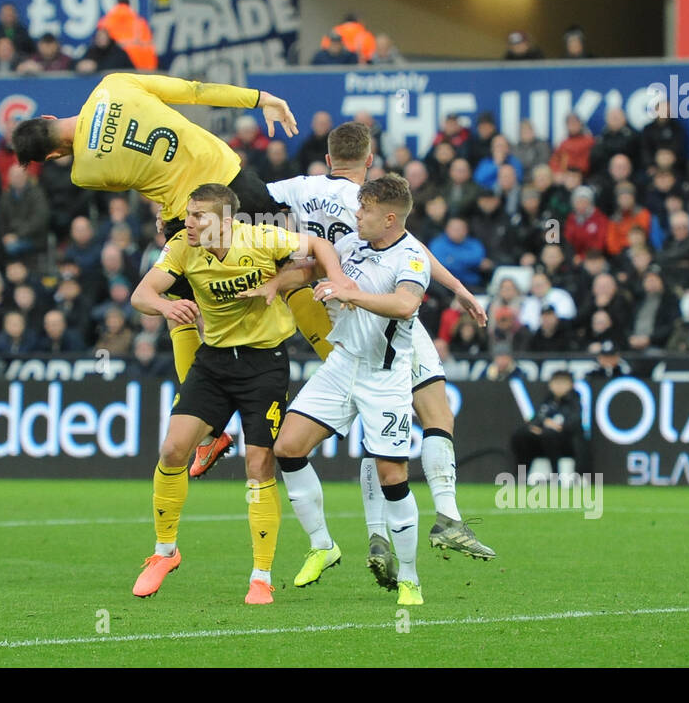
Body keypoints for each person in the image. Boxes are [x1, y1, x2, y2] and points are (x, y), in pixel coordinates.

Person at [262, 122, 494, 576]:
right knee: (435, 416)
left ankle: (376, 535)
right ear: (369, 161)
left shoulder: (298, 187)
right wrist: (460, 289)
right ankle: (445, 517)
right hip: (381, 318)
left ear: (328, 160)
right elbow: (414, 250)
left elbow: (250, 195)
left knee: (373, 428)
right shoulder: (368, 204)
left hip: (339, 318)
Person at [8, 72, 299, 410]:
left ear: (52, 157)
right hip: (232, 179)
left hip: (188, 214)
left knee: (179, 310)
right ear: (48, 118)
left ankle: (200, 416)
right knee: (292, 267)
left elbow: (148, 177)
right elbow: (195, 90)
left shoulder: (84, 172)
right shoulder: (113, 83)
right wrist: (261, 98)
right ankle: (334, 357)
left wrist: (164, 210)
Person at [127, 182, 348, 604]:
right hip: (213, 363)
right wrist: (167, 306)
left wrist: (293, 282)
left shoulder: (262, 238)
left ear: (226, 222)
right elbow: (142, 294)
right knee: (173, 450)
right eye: (188, 214)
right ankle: (164, 553)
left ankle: (261, 576)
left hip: (263, 365)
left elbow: (318, 246)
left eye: (199, 216)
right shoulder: (181, 247)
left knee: (258, 464)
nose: (188, 223)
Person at [255, 175, 431, 606]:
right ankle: (323, 545)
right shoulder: (351, 245)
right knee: (288, 448)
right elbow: (313, 265)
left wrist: (350, 294)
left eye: (364, 211)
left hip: (384, 378)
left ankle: (409, 578)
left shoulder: (410, 258)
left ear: (389, 218)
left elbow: (406, 304)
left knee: (393, 477)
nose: (355, 216)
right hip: (342, 365)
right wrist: (278, 284)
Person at [510, 369, 584, 481]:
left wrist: (556, 427)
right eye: (556, 383)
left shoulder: (574, 401)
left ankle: (556, 475)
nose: (559, 386)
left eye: (563, 383)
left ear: (571, 385)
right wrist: (541, 425)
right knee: (520, 435)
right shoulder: (547, 401)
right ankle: (520, 475)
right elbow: (536, 418)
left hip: (565, 442)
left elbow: (574, 423)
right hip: (543, 439)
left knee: (549, 434)